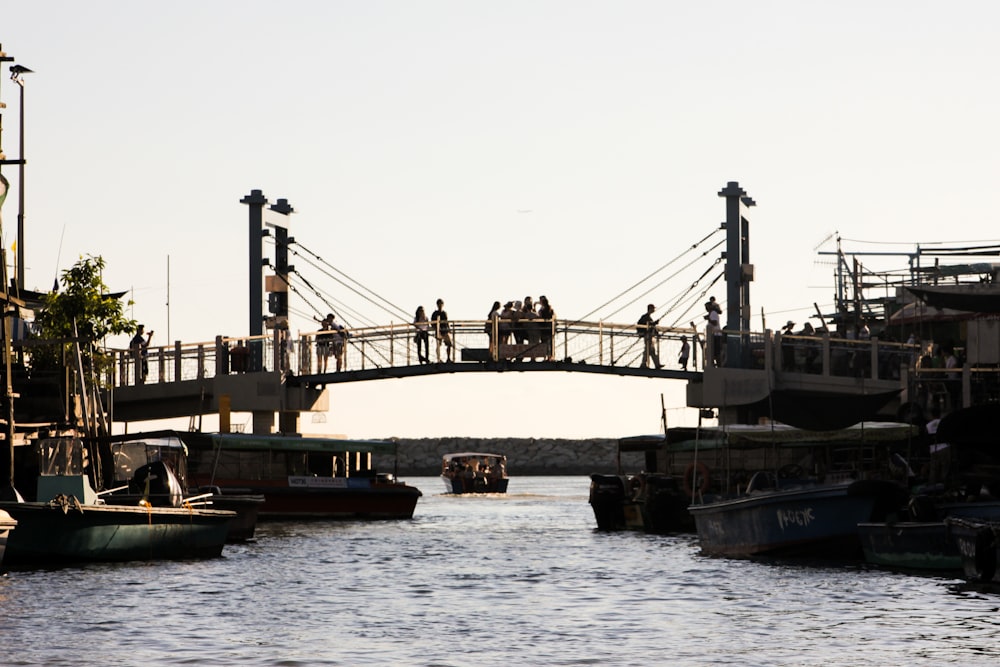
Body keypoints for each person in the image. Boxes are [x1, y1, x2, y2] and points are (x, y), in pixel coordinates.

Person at [637, 304, 662, 369]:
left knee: (651, 351)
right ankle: (644, 364)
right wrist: (654, 323)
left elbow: (650, 325)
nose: (654, 310)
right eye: (653, 308)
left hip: (650, 336)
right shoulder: (645, 317)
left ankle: (656, 364)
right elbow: (648, 325)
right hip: (647, 336)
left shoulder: (648, 317)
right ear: (650, 309)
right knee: (648, 350)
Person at [537, 295, 555, 360]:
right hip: (547, 328)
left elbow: (542, 316)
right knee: (547, 343)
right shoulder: (547, 308)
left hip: (545, 328)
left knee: (547, 343)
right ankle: (548, 357)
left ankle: (548, 357)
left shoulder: (546, 309)